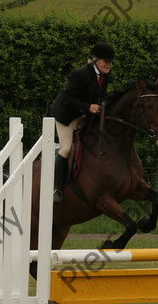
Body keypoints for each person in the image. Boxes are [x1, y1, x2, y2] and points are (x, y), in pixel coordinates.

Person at [49, 42, 115, 202]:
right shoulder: (80, 74)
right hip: (66, 115)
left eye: (111, 61)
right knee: (65, 149)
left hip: (84, 113)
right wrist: (89, 107)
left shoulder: (105, 76)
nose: (109, 64)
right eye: (106, 61)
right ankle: (54, 188)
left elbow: (102, 96)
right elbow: (67, 98)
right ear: (95, 60)